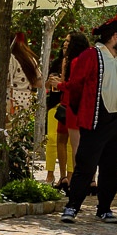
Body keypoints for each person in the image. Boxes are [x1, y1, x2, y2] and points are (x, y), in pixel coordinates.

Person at [60, 17, 117, 223]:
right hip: (97, 119)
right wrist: (82, 111)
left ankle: (104, 208)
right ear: (114, 36)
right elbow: (75, 86)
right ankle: (72, 206)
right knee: (86, 165)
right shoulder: (91, 56)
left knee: (111, 167)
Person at [45, 32, 88, 187]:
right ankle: (64, 176)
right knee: (60, 140)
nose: (65, 44)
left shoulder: (77, 61)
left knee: (74, 144)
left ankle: (75, 178)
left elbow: (74, 85)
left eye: (68, 42)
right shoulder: (66, 61)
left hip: (72, 105)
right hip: (64, 104)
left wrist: (60, 85)